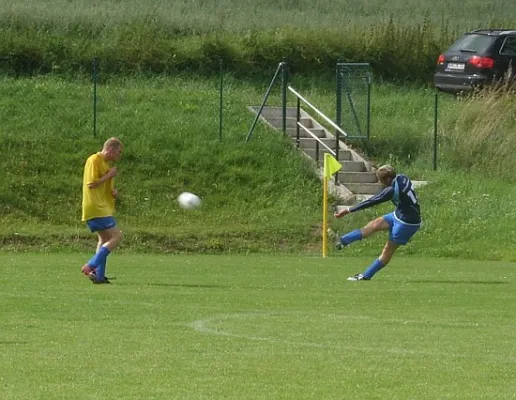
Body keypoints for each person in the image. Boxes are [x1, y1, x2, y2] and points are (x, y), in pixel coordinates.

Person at [332, 165, 421, 281]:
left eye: (381, 181)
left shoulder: (392, 190)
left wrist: (348, 210)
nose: (380, 184)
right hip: (399, 214)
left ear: (388, 179)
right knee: (374, 225)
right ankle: (343, 241)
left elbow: (371, 201)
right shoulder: (402, 177)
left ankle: (366, 276)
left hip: (407, 223)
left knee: (387, 250)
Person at [80, 137, 124, 284]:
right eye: (118, 152)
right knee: (116, 236)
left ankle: (99, 276)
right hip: (97, 207)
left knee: (104, 239)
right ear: (111, 149)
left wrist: (113, 193)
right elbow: (91, 183)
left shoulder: (104, 164)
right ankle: (91, 265)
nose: (119, 155)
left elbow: (101, 185)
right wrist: (109, 175)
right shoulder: (94, 159)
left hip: (101, 207)